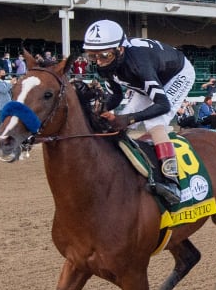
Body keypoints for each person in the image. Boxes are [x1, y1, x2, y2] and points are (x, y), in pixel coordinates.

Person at [82, 19, 193, 205]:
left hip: (176, 74)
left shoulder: (139, 64)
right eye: (93, 57)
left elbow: (163, 105)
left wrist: (129, 119)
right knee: (120, 117)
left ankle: (171, 181)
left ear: (120, 50)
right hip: (145, 79)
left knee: (154, 123)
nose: (99, 62)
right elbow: (116, 96)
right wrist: (101, 110)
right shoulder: (108, 64)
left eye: (104, 56)